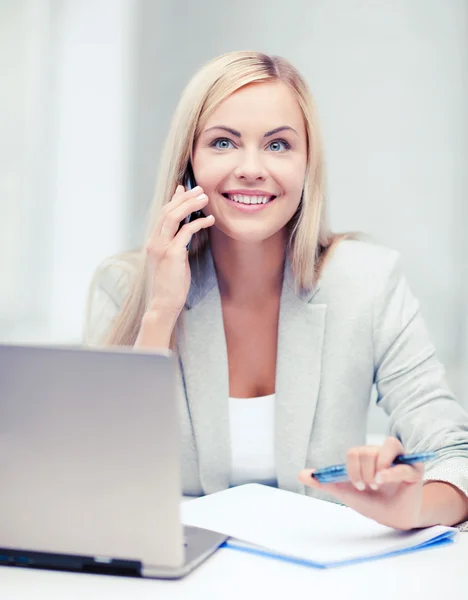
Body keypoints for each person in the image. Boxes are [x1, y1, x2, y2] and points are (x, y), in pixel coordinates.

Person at [84, 50, 468, 531]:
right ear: (188, 164)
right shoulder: (125, 287)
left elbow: (455, 454)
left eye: (278, 145)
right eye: (222, 143)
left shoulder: (369, 281)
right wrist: (161, 310)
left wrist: (412, 507)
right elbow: (100, 477)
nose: (251, 168)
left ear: (308, 166)